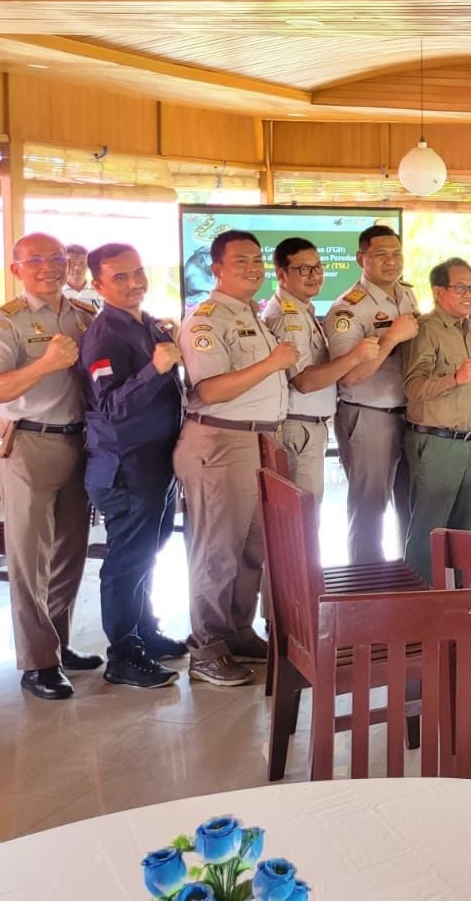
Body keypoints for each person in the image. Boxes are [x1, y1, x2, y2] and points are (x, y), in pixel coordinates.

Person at [0, 233, 101, 700]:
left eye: (56, 258)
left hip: (79, 440)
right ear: (17, 269)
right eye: (35, 260)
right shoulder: (6, 320)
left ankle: (58, 643)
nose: (48, 267)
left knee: (71, 549)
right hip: (29, 442)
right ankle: (37, 663)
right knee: (30, 557)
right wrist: (46, 363)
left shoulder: (83, 314)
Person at [175, 230, 295, 687]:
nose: (252, 268)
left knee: (251, 549)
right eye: (240, 260)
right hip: (221, 442)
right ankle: (206, 649)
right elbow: (210, 391)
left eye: (256, 259)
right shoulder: (206, 320)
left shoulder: (251, 315)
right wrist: (272, 363)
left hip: (258, 441)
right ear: (216, 269)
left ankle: (237, 632)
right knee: (216, 551)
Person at [79, 242, 187, 689]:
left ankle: (145, 631)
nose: (134, 283)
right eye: (119, 277)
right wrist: (155, 369)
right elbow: (111, 406)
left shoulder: (147, 324)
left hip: (158, 462)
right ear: (98, 284)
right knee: (127, 560)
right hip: (126, 467)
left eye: (138, 272)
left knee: (150, 551)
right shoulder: (104, 334)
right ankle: (123, 653)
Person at [323, 224, 419, 563]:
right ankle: (366, 583)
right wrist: (391, 338)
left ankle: (411, 575)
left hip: (410, 415)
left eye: (397, 254)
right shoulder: (348, 309)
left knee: (411, 504)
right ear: (360, 258)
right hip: (369, 415)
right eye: (380, 254)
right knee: (370, 509)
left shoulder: (406, 295)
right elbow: (349, 377)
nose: (391, 261)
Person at [262, 238, 380, 501]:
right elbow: (303, 381)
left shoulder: (302, 309)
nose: (315, 275)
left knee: (307, 510)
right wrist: (355, 357)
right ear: (281, 274)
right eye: (304, 269)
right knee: (303, 513)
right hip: (299, 427)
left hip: (308, 426)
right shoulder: (288, 317)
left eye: (318, 267)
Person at [400, 258, 471, 583]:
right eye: (461, 287)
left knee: (466, 531)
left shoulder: (469, 330)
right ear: (439, 292)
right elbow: (412, 387)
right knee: (430, 530)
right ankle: (421, 603)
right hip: (437, 443)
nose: (470, 294)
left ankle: (461, 600)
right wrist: (454, 377)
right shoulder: (426, 330)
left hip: (470, 443)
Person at [61, 243, 103, 312]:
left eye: (82, 262)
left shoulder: (101, 290)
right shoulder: (54, 292)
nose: (77, 268)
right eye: (72, 263)